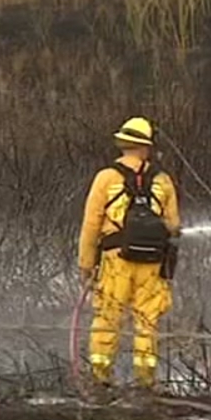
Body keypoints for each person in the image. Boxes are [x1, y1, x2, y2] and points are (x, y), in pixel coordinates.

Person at [77, 116, 181, 392]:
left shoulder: (106, 178)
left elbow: (90, 225)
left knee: (108, 317)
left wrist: (86, 265)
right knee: (147, 321)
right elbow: (173, 225)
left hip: (115, 260)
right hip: (152, 263)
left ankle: (100, 378)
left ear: (123, 144)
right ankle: (146, 382)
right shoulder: (163, 180)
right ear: (146, 147)